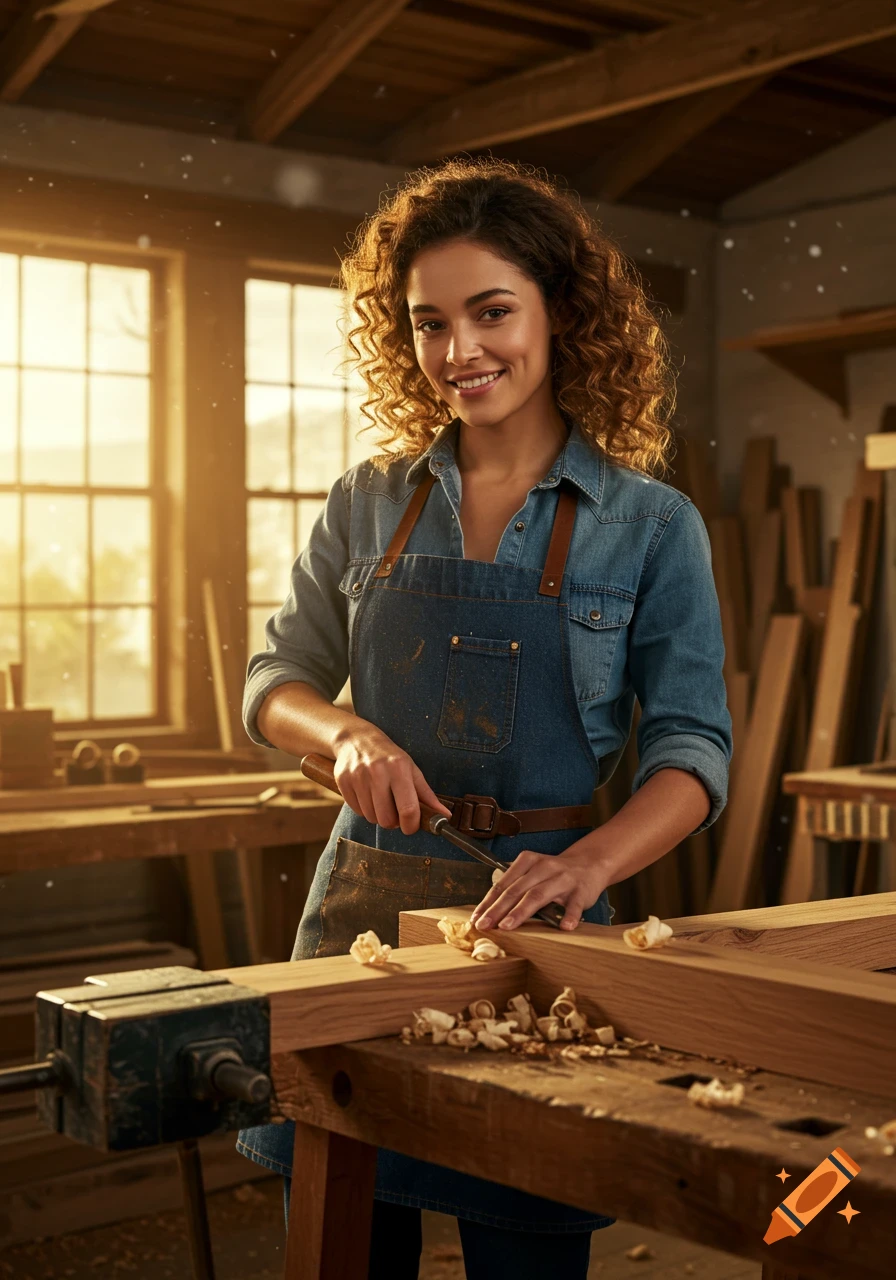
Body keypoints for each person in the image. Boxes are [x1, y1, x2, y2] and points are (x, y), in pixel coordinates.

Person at [236, 157, 732, 1279]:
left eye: (491, 311)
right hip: (360, 929)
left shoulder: (651, 527)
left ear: (563, 311)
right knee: (344, 1240)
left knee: (527, 1237)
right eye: (428, 322)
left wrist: (586, 865)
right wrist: (345, 734)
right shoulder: (365, 497)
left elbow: (692, 752)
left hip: (544, 931)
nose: (459, 351)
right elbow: (274, 676)